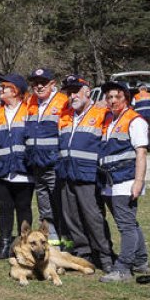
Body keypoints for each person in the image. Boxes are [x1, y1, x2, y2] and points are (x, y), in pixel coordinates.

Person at [56, 75, 115, 272]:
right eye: (69, 92)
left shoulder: (101, 112)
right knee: (71, 217)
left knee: (93, 217)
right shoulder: (65, 115)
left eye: (76, 91)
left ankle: (105, 256)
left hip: (88, 175)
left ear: (87, 91)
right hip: (66, 174)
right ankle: (82, 254)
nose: (72, 96)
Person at [98, 81, 150, 283]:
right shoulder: (109, 119)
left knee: (125, 226)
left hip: (126, 180)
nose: (112, 101)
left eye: (117, 97)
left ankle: (124, 268)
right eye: (109, 97)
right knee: (130, 223)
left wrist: (138, 182)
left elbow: (141, 153)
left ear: (126, 98)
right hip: (110, 181)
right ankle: (141, 261)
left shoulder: (135, 121)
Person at [0, 73, 33, 260]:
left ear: (16, 90)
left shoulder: (29, 109)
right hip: (2, 168)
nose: (0, 89)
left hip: (24, 168)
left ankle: (23, 245)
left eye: (5, 87)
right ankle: (4, 246)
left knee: (24, 207)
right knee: (4, 208)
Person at [23, 67, 68, 247]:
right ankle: (52, 242)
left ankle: (68, 243)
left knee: (61, 206)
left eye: (43, 83)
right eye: (35, 83)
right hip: (37, 165)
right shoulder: (30, 102)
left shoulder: (64, 102)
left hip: (54, 165)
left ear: (52, 84)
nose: (39, 86)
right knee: (44, 208)